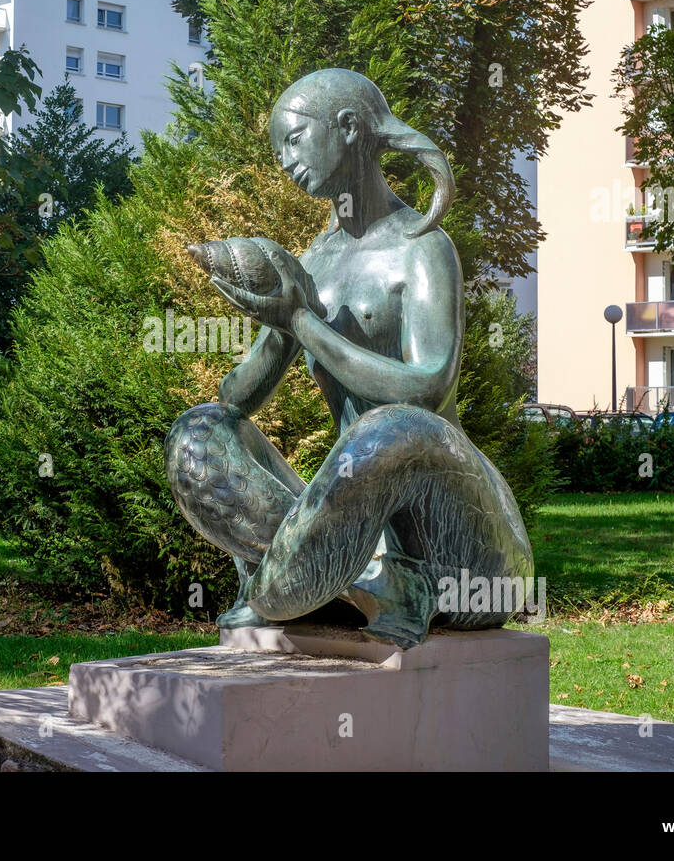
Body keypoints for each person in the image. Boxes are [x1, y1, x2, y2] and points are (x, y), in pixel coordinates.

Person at [164, 69, 533, 647]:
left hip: (464, 559)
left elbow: (428, 387)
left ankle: (294, 590)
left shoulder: (422, 247)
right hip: (348, 538)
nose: (284, 160)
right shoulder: (315, 262)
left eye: (294, 139)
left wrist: (304, 323)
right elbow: (236, 402)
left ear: (349, 127)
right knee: (199, 432)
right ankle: (355, 585)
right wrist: (273, 319)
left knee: (389, 427)